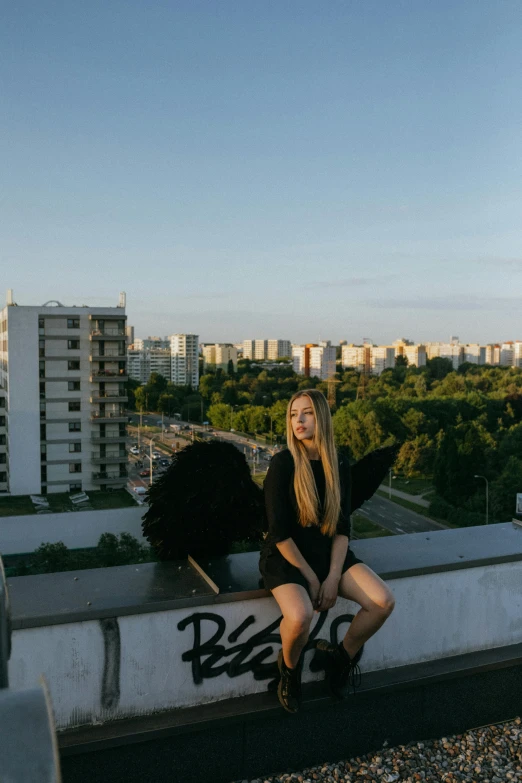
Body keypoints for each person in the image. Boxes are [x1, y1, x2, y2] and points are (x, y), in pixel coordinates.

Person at [259, 389, 395, 713]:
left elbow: (342, 527)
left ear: (321, 418)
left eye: (306, 413)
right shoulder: (283, 464)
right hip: (287, 557)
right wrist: (312, 579)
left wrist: (334, 576)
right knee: (301, 614)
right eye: (293, 414)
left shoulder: (338, 462)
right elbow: (278, 533)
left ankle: (341, 658)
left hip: (329, 554)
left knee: (382, 601)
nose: (298, 421)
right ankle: (289, 671)